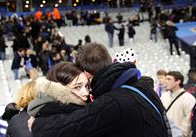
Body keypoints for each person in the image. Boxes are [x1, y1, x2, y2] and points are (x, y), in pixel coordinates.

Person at [30, 42, 168, 137]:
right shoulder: (141, 86)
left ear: (87, 75)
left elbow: (65, 129)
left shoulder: (112, 102)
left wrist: (36, 124)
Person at [27, 62, 92, 131]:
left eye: (87, 86)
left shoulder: (50, 109)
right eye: (77, 87)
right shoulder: (60, 115)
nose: (86, 93)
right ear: (59, 90)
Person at [161, 71, 196, 137]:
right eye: (166, 79)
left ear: (178, 81)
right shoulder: (164, 96)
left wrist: (182, 134)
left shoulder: (188, 98)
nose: (166, 81)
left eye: (169, 79)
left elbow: (189, 120)